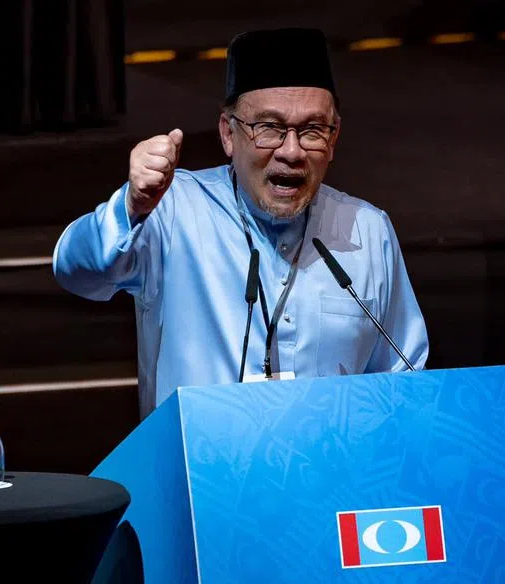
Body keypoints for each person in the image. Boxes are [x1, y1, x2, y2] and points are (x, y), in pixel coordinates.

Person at [53, 27, 428, 418]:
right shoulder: (172, 210)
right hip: (198, 456)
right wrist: (131, 206)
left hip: (332, 457)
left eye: (312, 130)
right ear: (228, 134)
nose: (292, 151)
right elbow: (76, 273)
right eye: (269, 128)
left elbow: (405, 381)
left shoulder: (368, 230)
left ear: (333, 140)